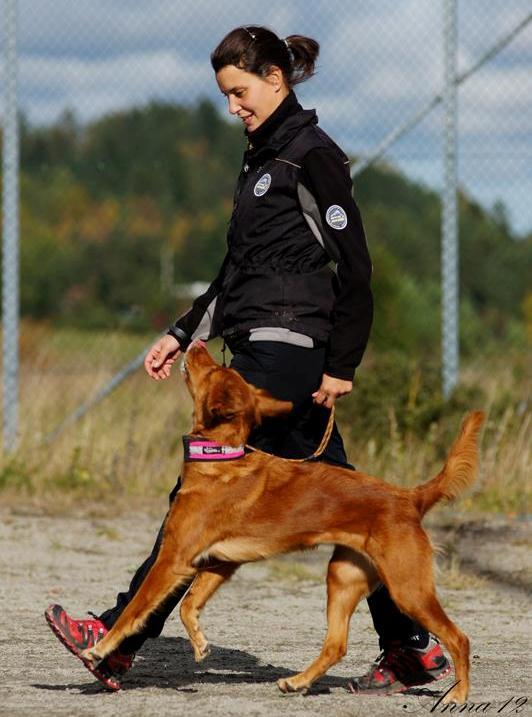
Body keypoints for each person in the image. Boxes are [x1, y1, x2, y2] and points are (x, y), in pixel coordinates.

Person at [45, 25, 450, 695]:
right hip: (253, 346)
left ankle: (116, 638)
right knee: (349, 499)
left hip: (288, 353)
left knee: (197, 497)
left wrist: (341, 362)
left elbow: (357, 268)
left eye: (239, 92)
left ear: (275, 78)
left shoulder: (312, 156)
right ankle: (409, 647)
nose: (234, 107)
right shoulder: (261, 159)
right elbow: (236, 269)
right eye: (226, 96)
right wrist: (182, 332)